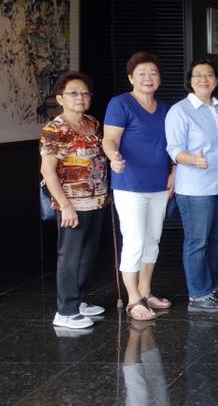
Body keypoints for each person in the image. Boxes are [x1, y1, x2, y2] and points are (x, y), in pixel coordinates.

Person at [102, 52, 174, 321]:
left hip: (159, 184)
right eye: (142, 74)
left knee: (152, 240)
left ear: (160, 78)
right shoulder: (120, 103)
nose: (148, 78)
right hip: (130, 184)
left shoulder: (165, 108)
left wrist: (174, 171)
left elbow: (172, 145)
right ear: (131, 78)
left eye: (153, 73)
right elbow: (109, 139)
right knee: (134, 240)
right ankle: (133, 298)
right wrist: (114, 157)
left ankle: (146, 291)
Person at [39, 71, 109, 329]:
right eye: (73, 93)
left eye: (85, 93)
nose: (80, 97)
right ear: (60, 99)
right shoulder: (55, 129)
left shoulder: (92, 123)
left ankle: (79, 301)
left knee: (88, 253)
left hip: (97, 200)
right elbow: (47, 171)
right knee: (70, 255)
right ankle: (66, 310)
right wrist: (65, 205)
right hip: (72, 203)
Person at [165, 59, 218, 313]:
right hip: (195, 188)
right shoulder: (180, 111)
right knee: (198, 241)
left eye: (209, 75)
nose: (204, 79)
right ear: (190, 81)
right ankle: (198, 294)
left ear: (216, 81)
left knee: (215, 239)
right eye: (198, 75)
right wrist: (194, 160)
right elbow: (174, 149)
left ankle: (214, 286)